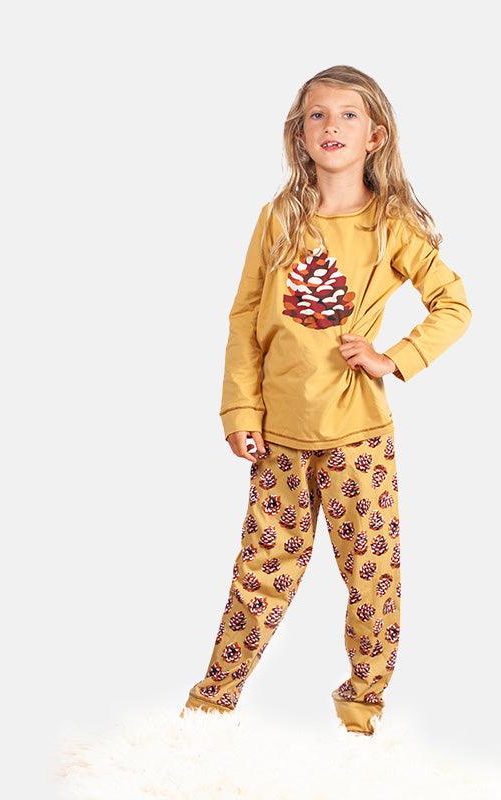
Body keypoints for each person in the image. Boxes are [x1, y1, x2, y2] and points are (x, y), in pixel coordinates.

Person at [180, 65, 472, 736]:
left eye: (347, 115)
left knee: (371, 573)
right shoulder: (278, 217)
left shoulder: (391, 225)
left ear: (375, 136)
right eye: (317, 114)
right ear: (299, 131)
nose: (331, 126)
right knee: (261, 573)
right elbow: (244, 320)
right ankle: (211, 704)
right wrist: (240, 411)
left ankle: (362, 708)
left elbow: (453, 304)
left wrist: (394, 358)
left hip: (357, 436)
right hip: (278, 436)